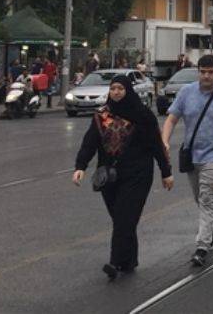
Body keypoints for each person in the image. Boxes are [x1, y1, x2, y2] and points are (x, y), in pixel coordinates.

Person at [72, 74, 173, 280]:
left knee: (125, 218)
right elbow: (90, 142)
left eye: (120, 88)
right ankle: (129, 260)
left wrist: (166, 172)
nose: (116, 92)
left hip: (138, 174)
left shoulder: (143, 115)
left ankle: (115, 262)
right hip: (109, 176)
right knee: (121, 219)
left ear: (128, 91)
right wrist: (80, 166)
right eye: (113, 88)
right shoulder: (101, 115)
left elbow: (156, 145)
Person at [161, 54, 213, 267]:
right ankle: (212, 229)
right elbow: (171, 119)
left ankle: (202, 245)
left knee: (207, 198)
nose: (206, 76)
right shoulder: (186, 92)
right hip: (191, 155)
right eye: (202, 72)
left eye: (210, 72)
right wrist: (164, 141)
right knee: (200, 198)